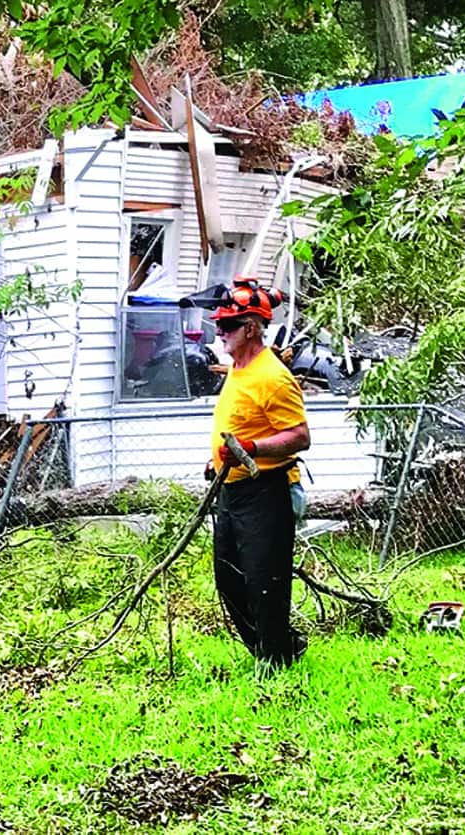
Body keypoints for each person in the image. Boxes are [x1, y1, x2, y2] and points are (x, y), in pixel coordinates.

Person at [208, 276, 311, 668]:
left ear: (250, 328)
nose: (220, 332)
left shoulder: (273, 376)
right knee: (229, 579)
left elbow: (300, 437)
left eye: (228, 326)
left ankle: (275, 662)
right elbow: (242, 421)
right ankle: (279, 647)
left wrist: (251, 449)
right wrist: (214, 459)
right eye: (219, 324)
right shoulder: (238, 367)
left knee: (264, 582)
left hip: (265, 490)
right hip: (230, 491)